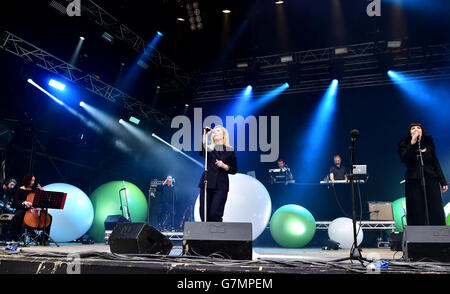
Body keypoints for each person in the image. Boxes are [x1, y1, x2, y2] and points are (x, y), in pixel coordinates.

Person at [398, 122, 448, 226]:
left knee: (435, 206)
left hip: (431, 177)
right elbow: (404, 158)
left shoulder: (428, 142)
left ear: (422, 131)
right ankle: (418, 236)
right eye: (413, 128)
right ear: (410, 132)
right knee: (417, 208)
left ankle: (437, 234)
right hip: (413, 179)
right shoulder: (404, 143)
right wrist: (412, 143)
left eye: (418, 128)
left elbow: (435, 161)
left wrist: (443, 181)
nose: (416, 130)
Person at [198, 126, 237, 222]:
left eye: (218, 131)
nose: (215, 132)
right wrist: (205, 135)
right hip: (207, 183)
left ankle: (216, 236)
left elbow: (234, 169)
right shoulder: (209, 149)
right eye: (214, 131)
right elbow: (202, 151)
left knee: (214, 214)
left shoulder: (230, 150)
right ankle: (205, 236)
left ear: (223, 135)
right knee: (204, 213)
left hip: (221, 185)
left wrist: (224, 166)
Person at [11, 173, 52, 244]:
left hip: (35, 210)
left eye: (34, 181)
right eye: (31, 181)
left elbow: (44, 200)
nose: (33, 182)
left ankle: (44, 239)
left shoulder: (35, 190)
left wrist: (41, 190)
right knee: (18, 215)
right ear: (27, 180)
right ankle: (15, 238)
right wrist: (24, 202)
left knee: (49, 217)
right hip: (23, 209)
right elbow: (15, 203)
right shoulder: (20, 190)